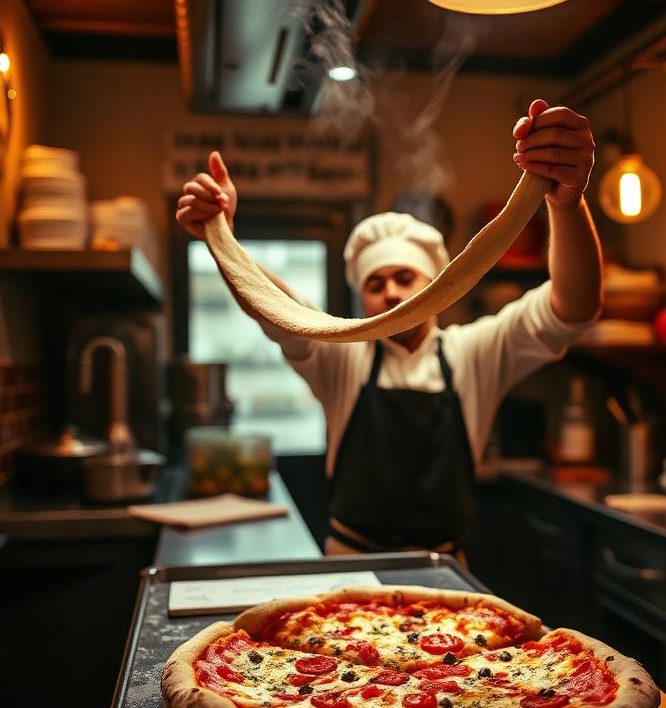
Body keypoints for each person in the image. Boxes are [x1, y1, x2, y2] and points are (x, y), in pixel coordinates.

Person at [176, 98, 602, 558]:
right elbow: (276, 308)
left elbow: (572, 308)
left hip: (446, 572)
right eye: (375, 283)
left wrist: (567, 203)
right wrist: (223, 240)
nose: (393, 294)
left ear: (440, 286)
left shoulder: (474, 352)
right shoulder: (340, 354)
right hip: (347, 565)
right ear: (361, 298)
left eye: (405, 278)